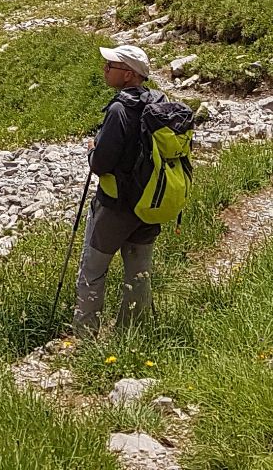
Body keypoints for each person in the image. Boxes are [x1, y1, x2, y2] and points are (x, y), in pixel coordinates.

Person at [75, 42, 180, 334]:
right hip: (150, 203)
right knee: (139, 273)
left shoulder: (119, 109)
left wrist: (92, 149)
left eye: (111, 65)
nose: (105, 69)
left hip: (115, 206)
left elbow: (101, 164)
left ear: (128, 74)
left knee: (93, 270)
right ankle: (133, 332)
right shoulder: (160, 103)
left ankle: (85, 334)